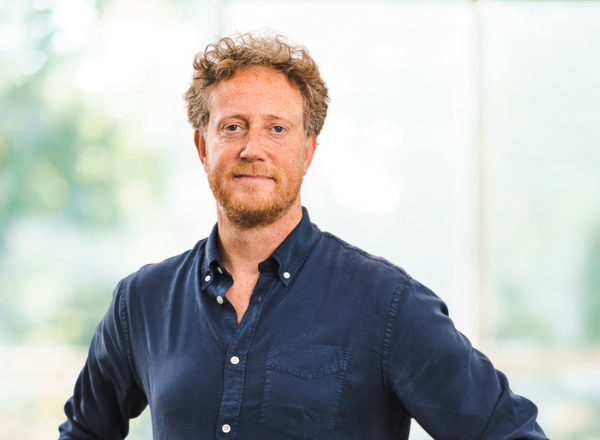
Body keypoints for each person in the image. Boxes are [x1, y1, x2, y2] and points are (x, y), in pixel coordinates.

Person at [59, 32, 548, 440]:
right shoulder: (141, 303)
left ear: (308, 151)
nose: (253, 148)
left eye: (276, 129)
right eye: (233, 127)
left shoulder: (386, 303)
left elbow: (509, 432)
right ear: (202, 147)